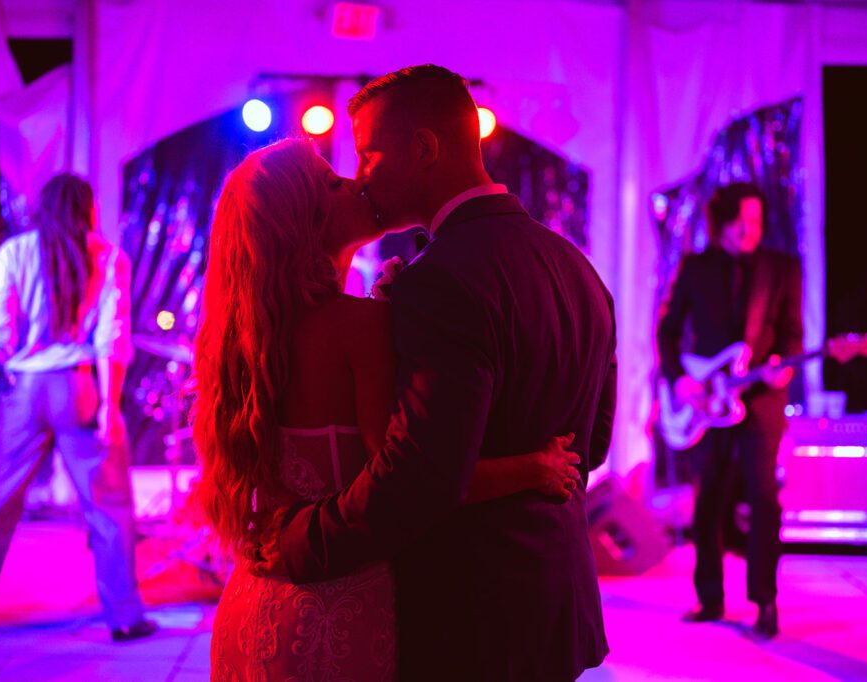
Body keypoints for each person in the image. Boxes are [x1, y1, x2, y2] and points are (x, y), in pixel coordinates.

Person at [256, 65, 616, 680]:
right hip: (562, 609)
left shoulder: (441, 280)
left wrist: (294, 544)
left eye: (369, 155)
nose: (362, 175)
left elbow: (420, 478)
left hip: (471, 617)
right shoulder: (578, 269)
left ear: (423, 148)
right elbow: (595, 446)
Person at [194, 139, 582, 680]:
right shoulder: (359, 327)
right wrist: (533, 467)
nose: (355, 183)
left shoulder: (240, 337)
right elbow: (408, 479)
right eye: (332, 183)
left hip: (252, 606)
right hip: (335, 610)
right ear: (301, 222)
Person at [0, 174, 156, 643]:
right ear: (88, 208)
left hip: (26, 388)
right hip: (80, 386)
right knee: (109, 506)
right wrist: (108, 406)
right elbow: (112, 336)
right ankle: (125, 618)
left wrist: (19, 363)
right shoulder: (107, 257)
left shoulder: (14, 252)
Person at [656, 181, 803, 640]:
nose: (751, 229)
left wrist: (784, 367)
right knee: (709, 499)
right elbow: (668, 332)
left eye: (758, 221)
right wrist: (680, 378)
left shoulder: (781, 268)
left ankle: (765, 601)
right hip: (706, 400)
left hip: (759, 399)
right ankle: (711, 596)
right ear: (721, 221)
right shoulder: (695, 267)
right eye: (743, 220)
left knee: (763, 496)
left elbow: (794, 334)